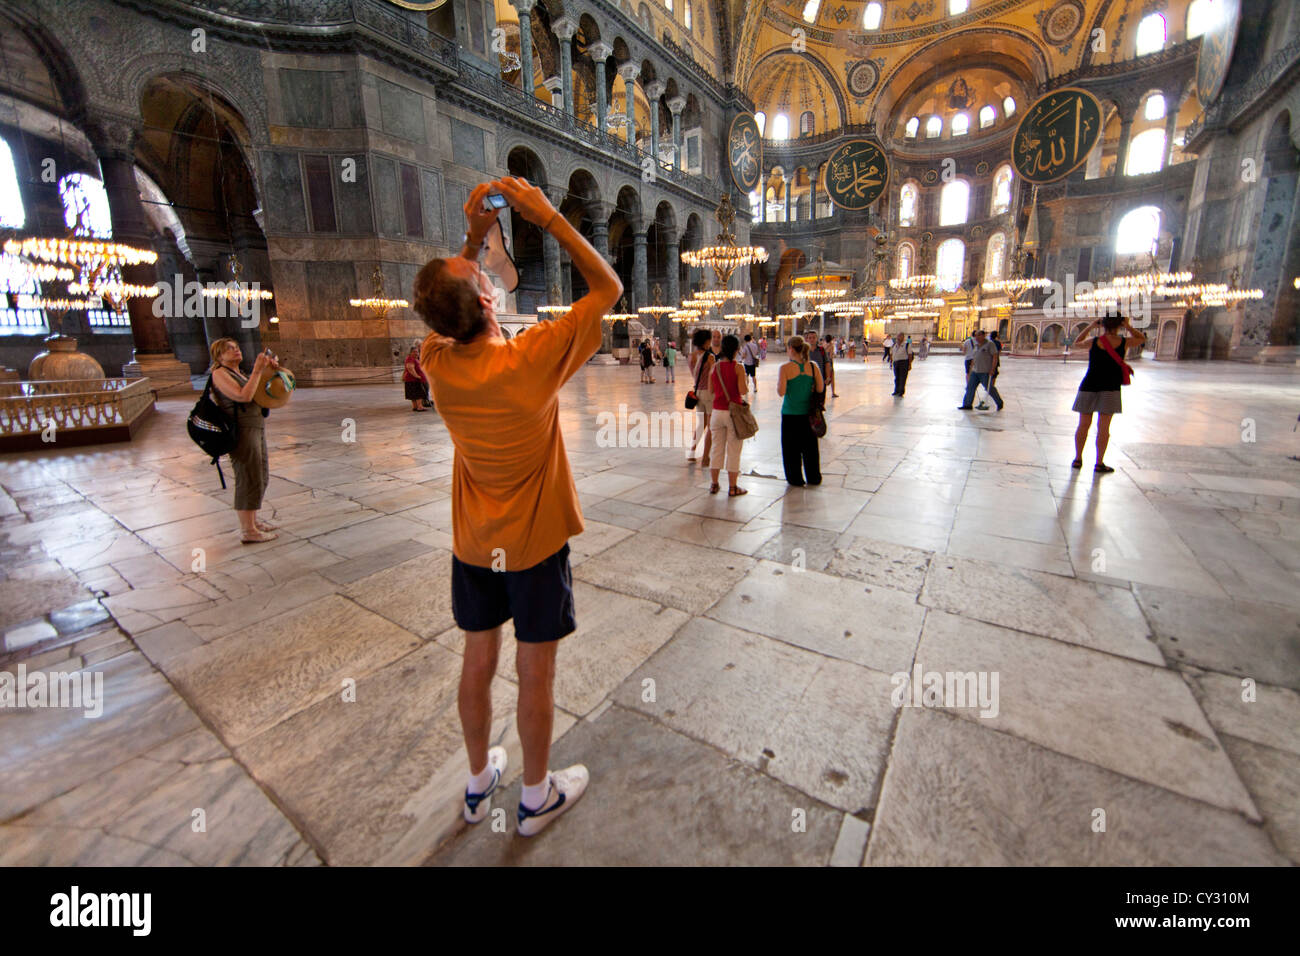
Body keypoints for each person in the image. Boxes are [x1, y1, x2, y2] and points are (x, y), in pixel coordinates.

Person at [414, 177, 622, 836]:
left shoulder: (436, 364)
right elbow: (609, 289)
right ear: (486, 296)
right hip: (533, 548)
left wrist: (474, 235)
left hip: (475, 547)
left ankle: (479, 787)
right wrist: (548, 216)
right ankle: (536, 798)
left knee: (478, 664)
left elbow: (448, 302)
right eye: (474, 267)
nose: (476, 260)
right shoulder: (531, 359)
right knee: (536, 675)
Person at [210, 337, 279, 543]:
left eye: (237, 347)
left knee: (260, 473)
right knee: (248, 475)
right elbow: (243, 396)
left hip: (255, 425)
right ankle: (247, 531)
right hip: (241, 429)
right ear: (219, 356)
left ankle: (253, 522)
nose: (236, 351)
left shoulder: (239, 373)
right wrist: (257, 371)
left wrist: (269, 371)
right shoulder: (219, 374)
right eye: (229, 349)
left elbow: (260, 392)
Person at [1071, 312, 1144, 473]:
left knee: (1083, 425)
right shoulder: (1124, 342)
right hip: (1110, 387)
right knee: (1104, 428)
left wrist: (1091, 326)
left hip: (1089, 384)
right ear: (1119, 324)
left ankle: (1078, 459)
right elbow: (1141, 339)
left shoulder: (1095, 341)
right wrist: (1128, 326)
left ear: (1103, 324)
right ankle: (1099, 462)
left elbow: (1077, 342)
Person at [778, 335, 824, 486]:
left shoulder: (785, 368)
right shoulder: (813, 366)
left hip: (790, 414)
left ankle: (795, 478)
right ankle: (813, 477)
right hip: (808, 414)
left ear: (791, 349)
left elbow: (781, 392)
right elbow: (820, 388)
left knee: (791, 449)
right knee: (810, 448)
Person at [709, 333, 749, 497]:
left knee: (716, 448)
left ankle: (714, 484)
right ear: (736, 349)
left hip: (717, 412)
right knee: (733, 450)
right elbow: (743, 391)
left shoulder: (715, 367)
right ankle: (733, 487)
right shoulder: (738, 367)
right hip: (733, 413)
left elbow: (711, 390)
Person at [688, 328, 716, 466]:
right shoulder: (710, 357)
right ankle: (705, 457)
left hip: (697, 392)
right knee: (710, 427)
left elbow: (694, 374)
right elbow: (714, 375)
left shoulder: (691, 356)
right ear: (706, 341)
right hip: (709, 393)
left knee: (701, 425)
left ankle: (692, 452)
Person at [958, 329, 1003, 411]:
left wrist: (992, 369)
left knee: (989, 389)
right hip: (975, 372)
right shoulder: (976, 345)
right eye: (975, 335)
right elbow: (974, 357)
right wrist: (971, 369)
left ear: (983, 335)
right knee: (970, 388)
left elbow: (995, 357)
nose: (976, 337)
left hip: (985, 372)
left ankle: (999, 403)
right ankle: (967, 404)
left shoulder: (990, 344)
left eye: (978, 335)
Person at [403, 344, 433, 411]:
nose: (416, 353)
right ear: (410, 352)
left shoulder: (414, 359)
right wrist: (417, 376)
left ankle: (415, 407)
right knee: (418, 393)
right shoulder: (410, 359)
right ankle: (419, 407)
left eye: (417, 352)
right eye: (414, 352)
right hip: (414, 380)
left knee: (414, 394)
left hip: (413, 379)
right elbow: (410, 368)